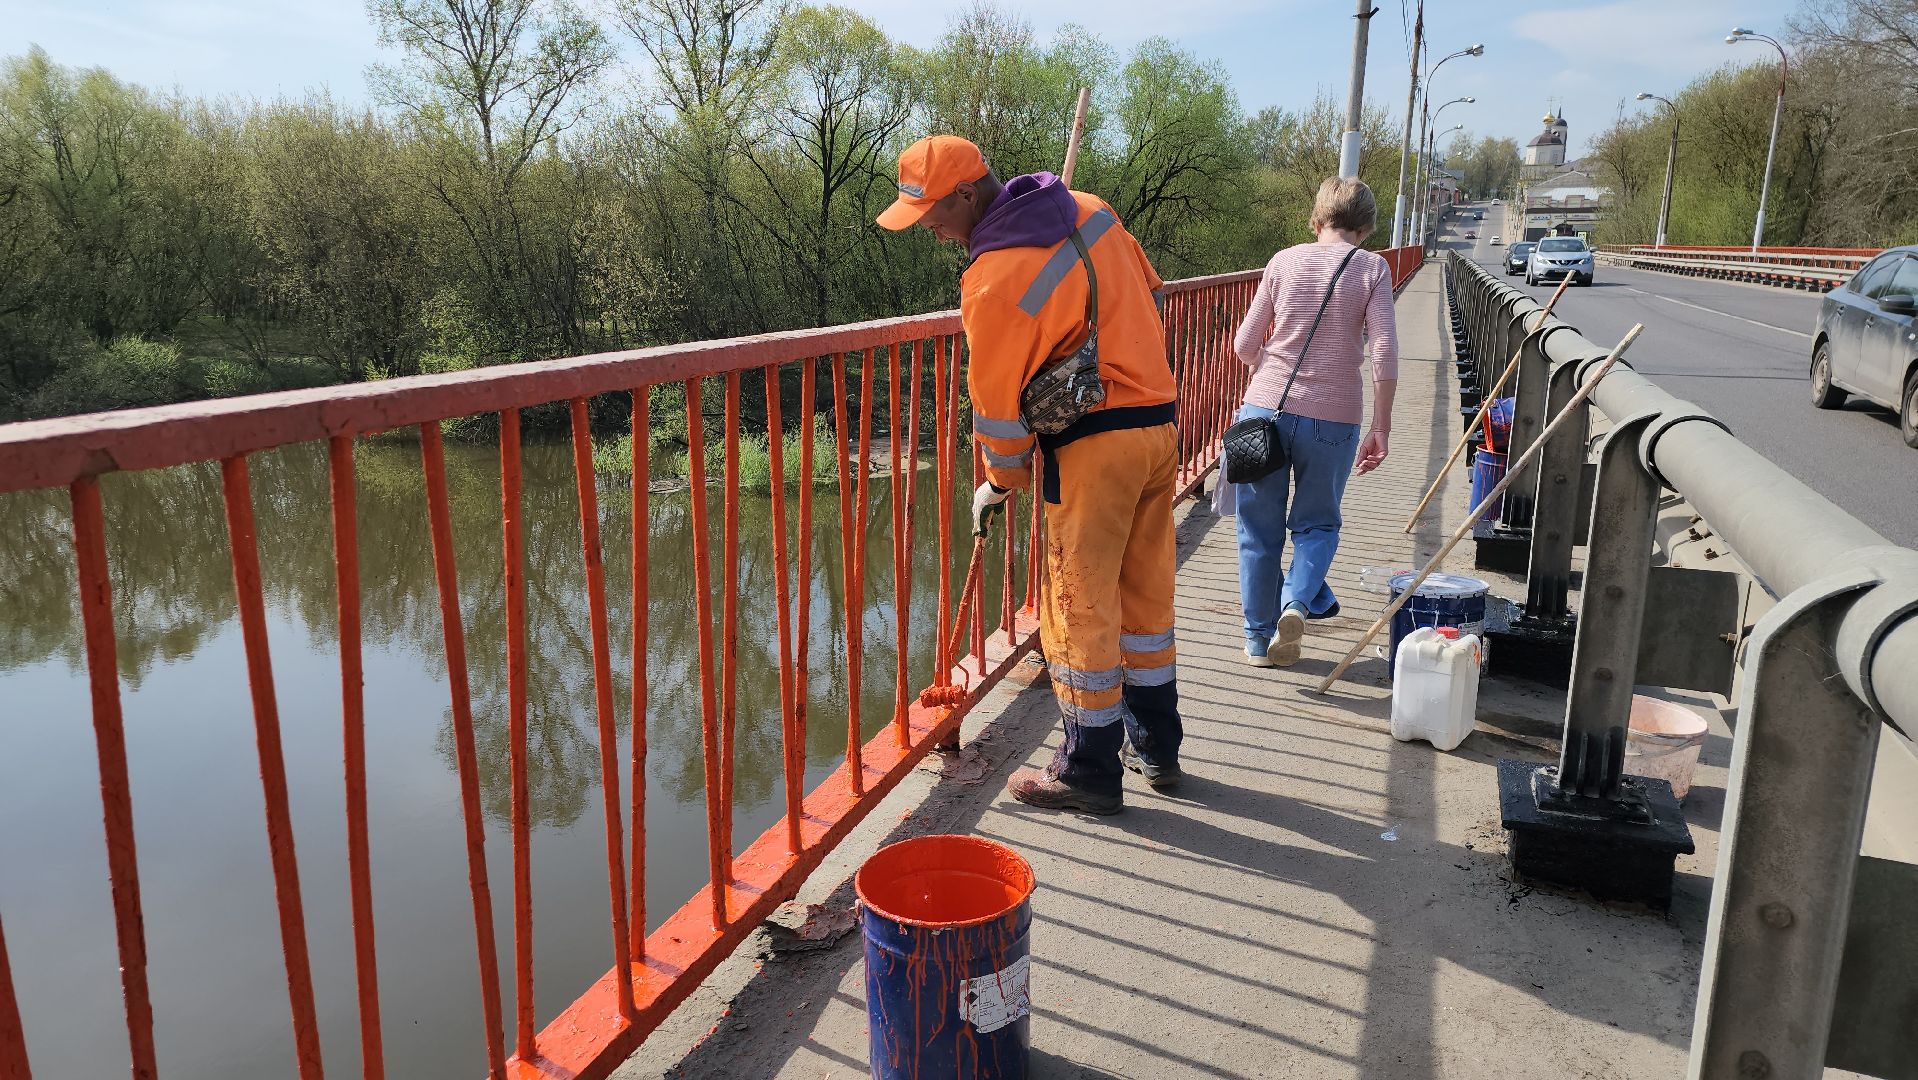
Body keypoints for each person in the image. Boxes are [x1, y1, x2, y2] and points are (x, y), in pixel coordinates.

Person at [876, 135, 1182, 815]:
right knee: (1145, 598)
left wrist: (999, 480)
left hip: (1093, 448)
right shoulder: (1093, 210)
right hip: (1158, 427)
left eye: (932, 215)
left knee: (1078, 607)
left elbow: (997, 408)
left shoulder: (991, 279)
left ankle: (1089, 770)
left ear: (966, 194)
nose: (930, 231)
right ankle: (1158, 746)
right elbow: (1153, 295)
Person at [1230, 177, 1398, 667]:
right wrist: (1382, 427)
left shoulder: (1283, 261)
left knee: (1257, 531)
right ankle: (1297, 603)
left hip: (1265, 413)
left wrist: (1265, 367)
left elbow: (1244, 345)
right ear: (1366, 226)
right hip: (1334, 416)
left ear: (1317, 218)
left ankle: (1257, 641)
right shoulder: (1372, 268)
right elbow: (1384, 351)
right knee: (1317, 523)